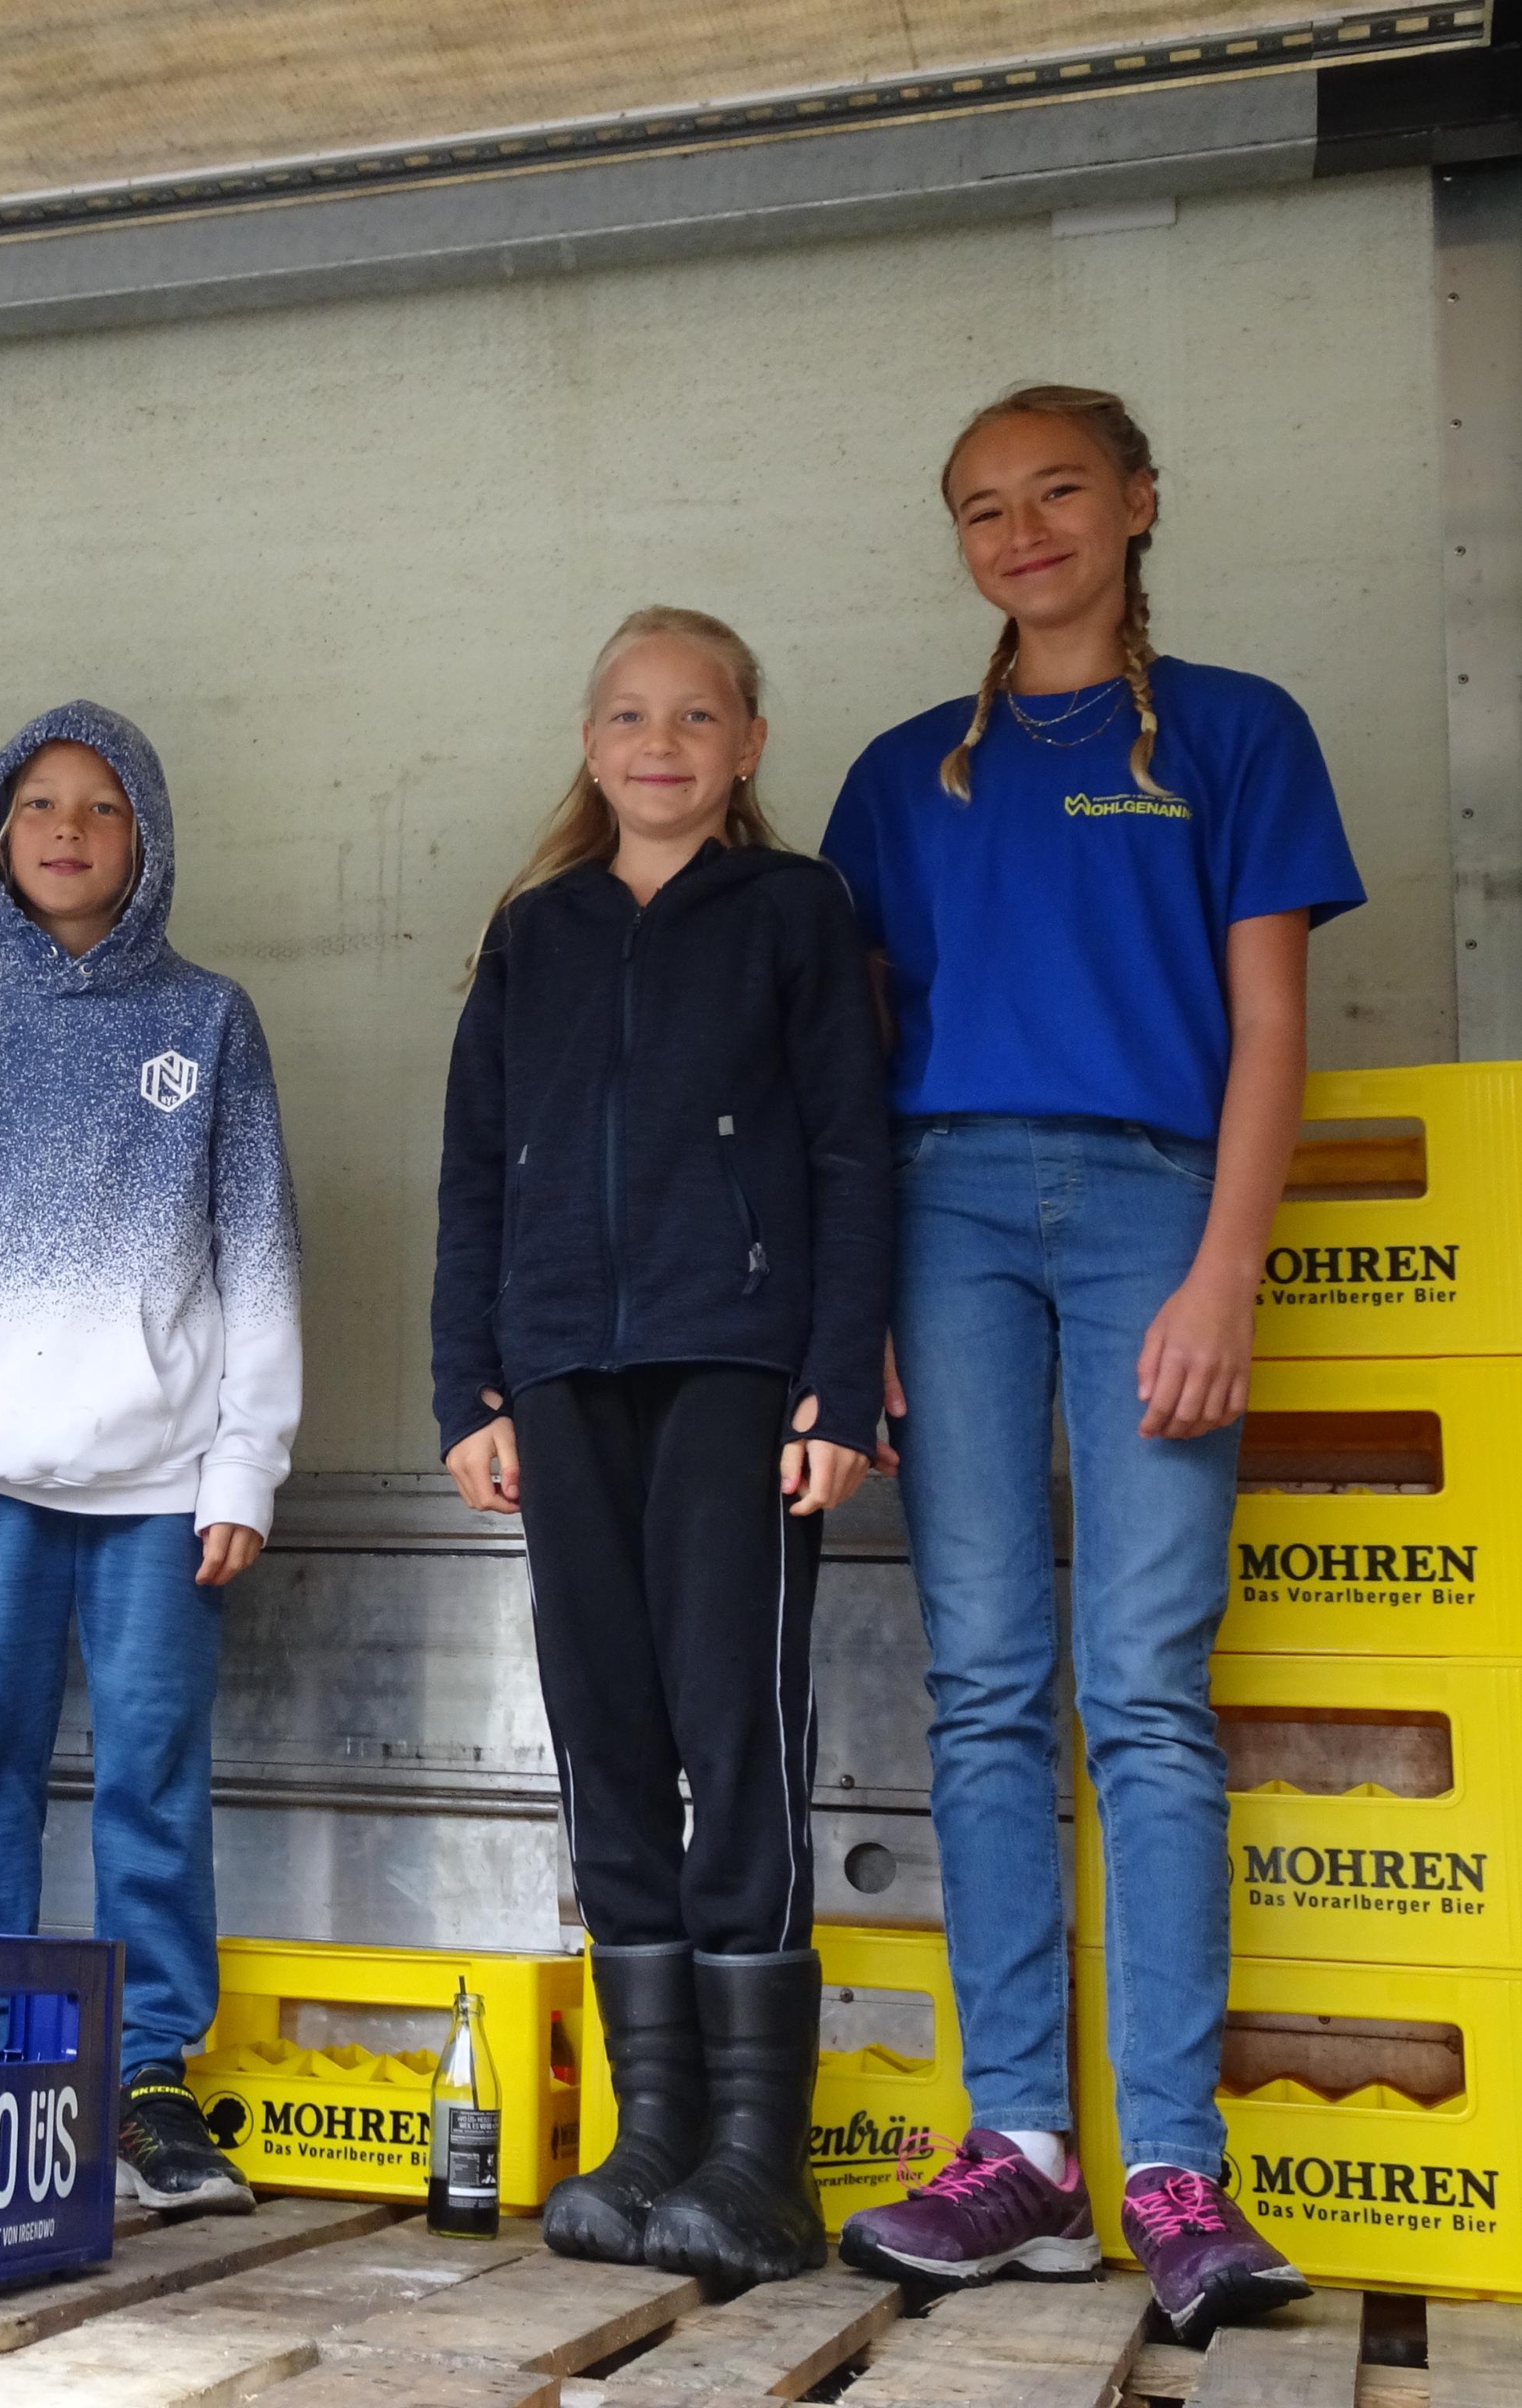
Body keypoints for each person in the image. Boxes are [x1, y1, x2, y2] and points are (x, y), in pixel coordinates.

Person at [825, 386, 1362, 2342]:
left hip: (1154, 1203)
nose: (1020, 530)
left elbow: (1268, 1026)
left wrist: (1225, 1269)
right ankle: (1021, 2154)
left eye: (1056, 490)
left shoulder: (1235, 729)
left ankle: (1171, 2175)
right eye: (980, 507)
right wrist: (856, 1309)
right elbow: (847, 1061)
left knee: (1140, 1689)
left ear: (1137, 502)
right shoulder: (903, 774)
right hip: (939, 1213)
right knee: (981, 1686)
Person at [433, 607, 889, 2291]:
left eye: (696, 717)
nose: (660, 744)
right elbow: (471, 1170)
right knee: (604, 1732)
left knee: (733, 1727)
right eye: (629, 715)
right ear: (588, 740)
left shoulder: (792, 910)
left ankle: (759, 2155)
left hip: (735, 1371)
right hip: (558, 1375)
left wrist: (837, 1389)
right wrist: (467, 1391)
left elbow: (850, 1157)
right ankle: (651, 2134)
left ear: (747, 745)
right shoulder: (534, 932)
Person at [0, 701, 302, 2218]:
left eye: (101, 806)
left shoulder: (209, 1022)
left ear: (147, 838)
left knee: (153, 1778)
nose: (67, 830)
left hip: (162, 1490)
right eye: (38, 804)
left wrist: (244, 1466)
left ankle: (149, 2076)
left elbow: (259, 1259)